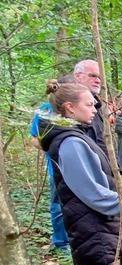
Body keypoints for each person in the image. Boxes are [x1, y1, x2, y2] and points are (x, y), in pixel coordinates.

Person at [39, 81, 122, 265]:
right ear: (70, 107)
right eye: (89, 104)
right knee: (97, 259)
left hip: (100, 209)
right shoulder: (69, 142)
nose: (94, 109)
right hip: (89, 212)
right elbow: (88, 189)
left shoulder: (76, 134)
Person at [30, 74, 76, 252]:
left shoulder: (78, 107)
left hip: (78, 165)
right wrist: (53, 147)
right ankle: (61, 242)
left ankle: (75, 237)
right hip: (56, 166)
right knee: (58, 202)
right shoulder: (44, 110)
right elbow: (34, 138)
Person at [73, 59, 108, 155]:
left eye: (100, 78)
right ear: (78, 76)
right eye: (93, 76)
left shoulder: (98, 105)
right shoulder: (63, 102)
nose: (97, 81)